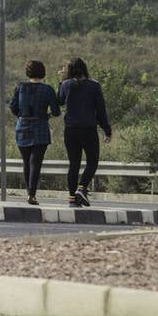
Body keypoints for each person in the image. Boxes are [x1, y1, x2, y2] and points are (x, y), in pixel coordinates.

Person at [57, 57, 112, 207]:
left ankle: (72, 200)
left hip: (71, 130)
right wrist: (107, 129)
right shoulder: (94, 86)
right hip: (89, 129)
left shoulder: (66, 85)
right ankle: (82, 188)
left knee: (73, 164)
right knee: (92, 162)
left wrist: (61, 81)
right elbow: (100, 110)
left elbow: (60, 101)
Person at [8, 60, 59, 205]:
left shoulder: (20, 87)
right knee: (36, 162)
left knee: (26, 162)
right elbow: (56, 111)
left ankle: (28, 192)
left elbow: (13, 106)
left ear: (28, 72)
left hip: (23, 126)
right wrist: (46, 116)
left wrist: (22, 116)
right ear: (42, 72)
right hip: (40, 127)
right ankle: (32, 194)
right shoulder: (47, 89)